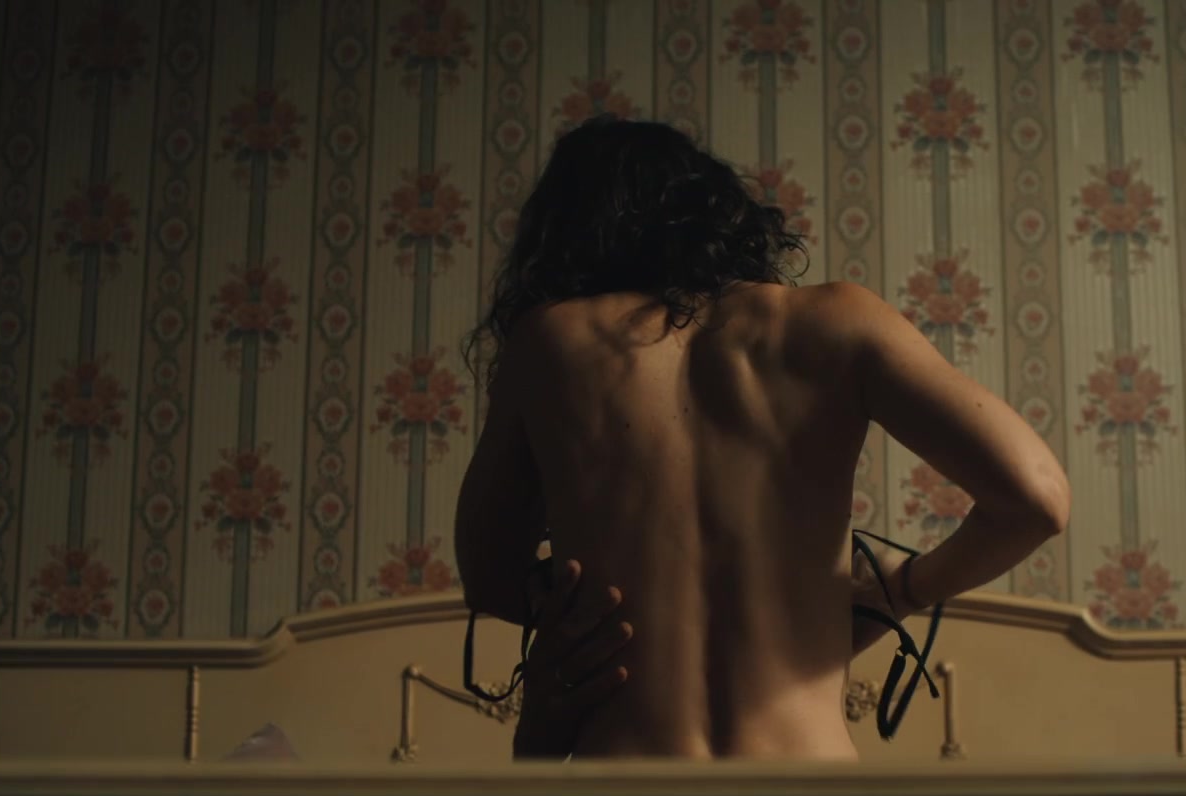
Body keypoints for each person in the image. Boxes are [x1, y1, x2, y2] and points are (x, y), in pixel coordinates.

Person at [455, 117, 1070, 760]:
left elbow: (489, 578)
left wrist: (579, 609)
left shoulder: (549, 342)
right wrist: (904, 588)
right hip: (806, 793)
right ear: (714, 211)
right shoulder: (835, 321)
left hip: (627, 792)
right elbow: (1038, 498)